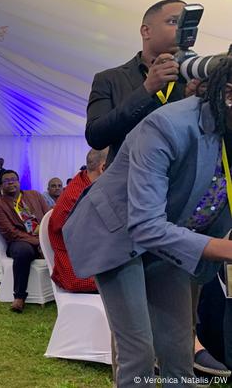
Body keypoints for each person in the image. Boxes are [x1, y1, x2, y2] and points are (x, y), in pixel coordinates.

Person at [63, 58, 232, 387]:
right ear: (228, 93)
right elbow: (144, 226)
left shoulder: (225, 124)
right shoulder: (168, 126)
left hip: (170, 236)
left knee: (179, 349)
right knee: (138, 352)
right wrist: (224, 249)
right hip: (119, 233)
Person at [85, 0, 199, 167]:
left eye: (189, 24)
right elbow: (96, 137)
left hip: (182, 185)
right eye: (174, 21)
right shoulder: (109, 79)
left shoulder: (195, 77)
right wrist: (146, 89)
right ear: (146, 31)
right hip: (127, 184)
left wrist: (197, 104)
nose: (183, 29)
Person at [48, 149, 107, 293]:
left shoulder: (85, 181)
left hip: (90, 259)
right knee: (134, 277)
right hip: (77, 270)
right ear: (103, 168)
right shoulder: (77, 197)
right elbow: (97, 239)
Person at [0, 170, 49, 313]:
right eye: (6, 180)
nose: (11, 182)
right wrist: (37, 243)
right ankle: (19, 297)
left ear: (18, 182)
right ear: (1, 185)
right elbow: (10, 233)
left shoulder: (34, 195)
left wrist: (44, 238)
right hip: (19, 241)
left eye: (14, 179)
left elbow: (49, 216)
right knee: (23, 252)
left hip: (41, 236)